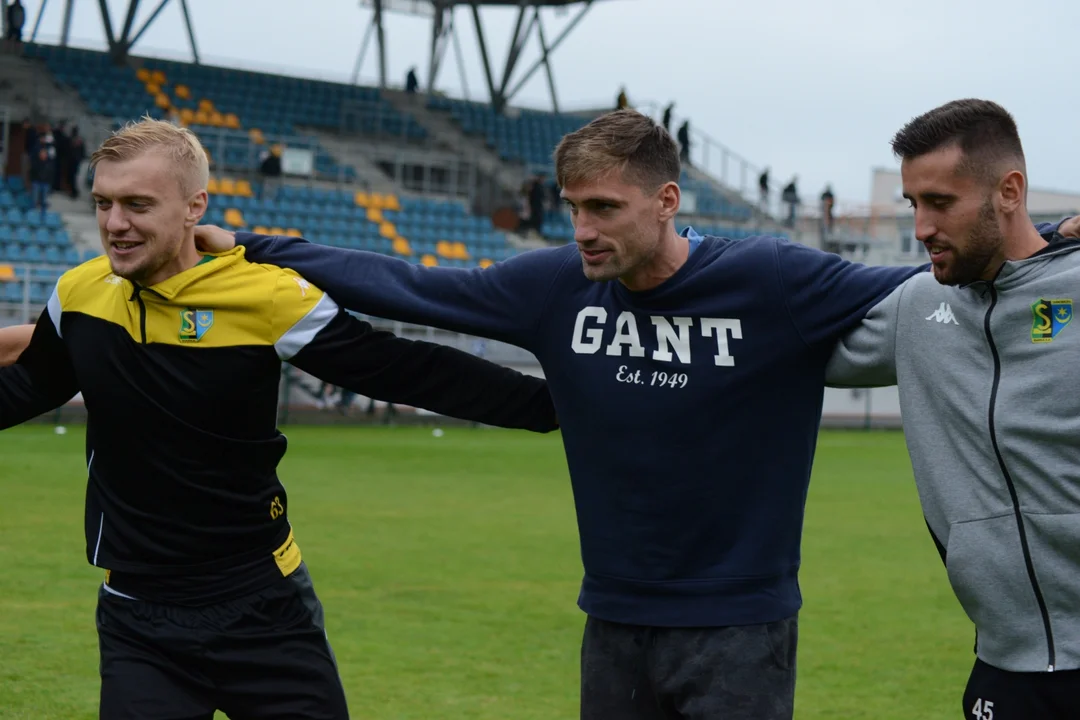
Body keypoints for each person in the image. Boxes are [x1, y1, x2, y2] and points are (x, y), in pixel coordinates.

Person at [191, 108, 928, 720]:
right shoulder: (554, 286)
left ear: (666, 202)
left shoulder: (769, 278)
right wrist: (257, 246)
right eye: (574, 207)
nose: (582, 229)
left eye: (604, 208)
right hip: (611, 616)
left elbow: (933, 280)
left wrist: (1036, 252)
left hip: (739, 621)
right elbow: (410, 284)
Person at [0, 118, 558, 720]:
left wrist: (555, 407)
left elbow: (403, 370)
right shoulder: (80, 293)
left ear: (195, 207)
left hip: (261, 606)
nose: (114, 225)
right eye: (104, 204)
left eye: (138, 204)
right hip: (139, 616)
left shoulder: (265, 296)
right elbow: (30, 385)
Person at [825, 99, 1080, 720]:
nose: (921, 227)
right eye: (913, 204)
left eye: (940, 202)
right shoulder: (916, 307)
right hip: (1004, 666)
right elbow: (775, 352)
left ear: (1009, 191)